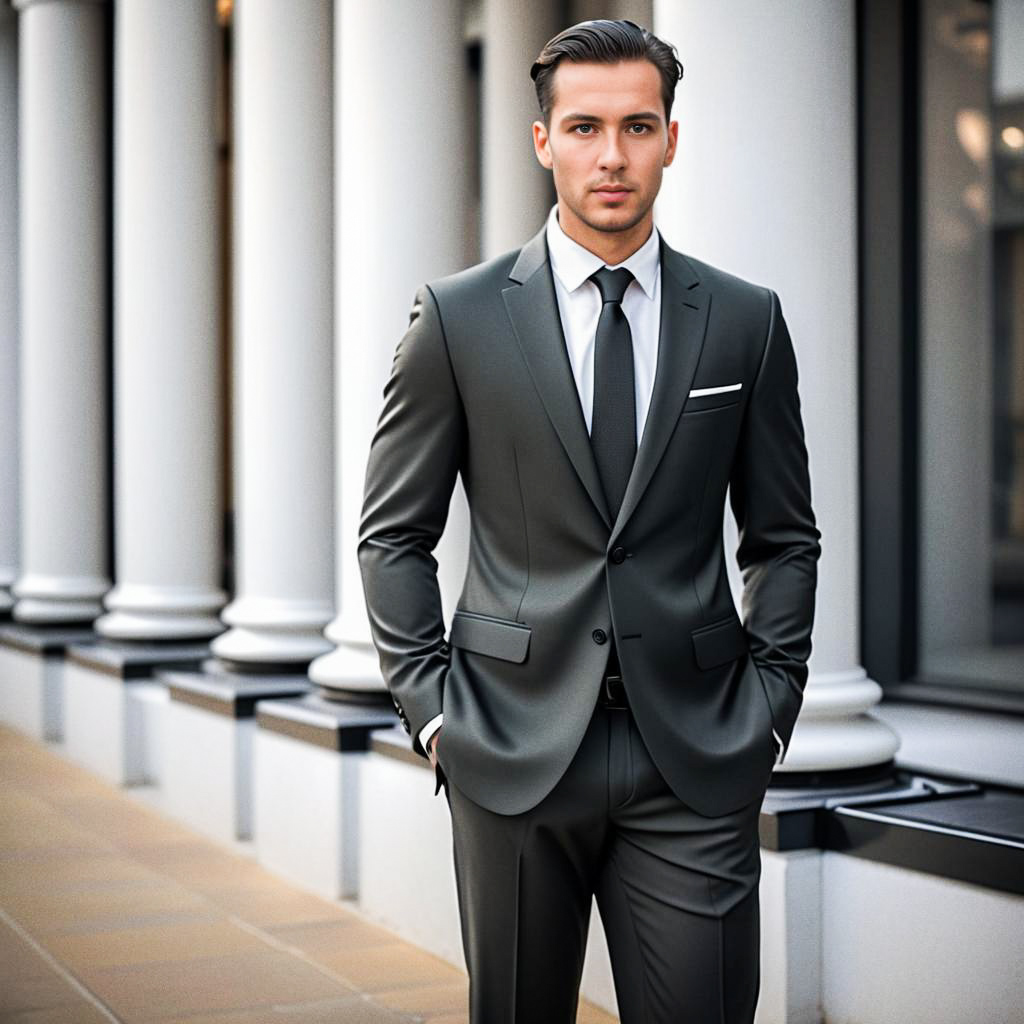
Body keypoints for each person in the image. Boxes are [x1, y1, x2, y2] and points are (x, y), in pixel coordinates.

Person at [358, 18, 821, 1024]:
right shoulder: (458, 318)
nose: (611, 156)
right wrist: (437, 716)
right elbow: (393, 534)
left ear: (670, 138)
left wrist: (769, 710)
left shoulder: (744, 320)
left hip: (694, 754)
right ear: (543, 142)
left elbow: (783, 536)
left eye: (637, 126)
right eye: (583, 127)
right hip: (509, 747)